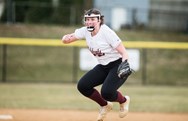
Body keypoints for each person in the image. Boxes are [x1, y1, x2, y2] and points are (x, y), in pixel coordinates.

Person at [62, 8, 132, 121]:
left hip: (116, 65)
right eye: (87, 19)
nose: (89, 22)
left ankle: (124, 101)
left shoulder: (107, 32)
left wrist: (124, 64)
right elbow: (69, 38)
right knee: (83, 86)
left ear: (99, 20)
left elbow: (124, 52)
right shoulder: (85, 31)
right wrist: (65, 39)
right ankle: (105, 105)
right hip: (103, 66)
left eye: (93, 19)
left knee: (107, 92)